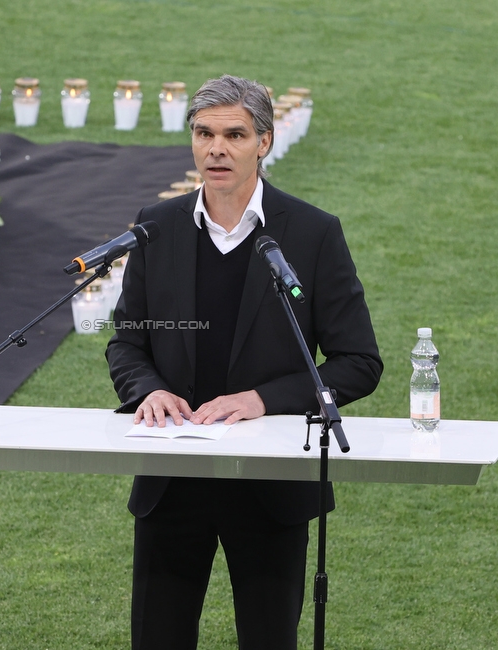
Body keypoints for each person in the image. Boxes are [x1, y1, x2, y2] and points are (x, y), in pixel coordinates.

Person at [106, 74, 383, 650]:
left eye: (234, 134)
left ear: (264, 142)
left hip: (271, 487)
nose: (216, 149)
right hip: (172, 478)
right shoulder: (155, 227)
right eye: (204, 133)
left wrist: (261, 400)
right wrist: (148, 390)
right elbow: (127, 342)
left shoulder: (312, 233)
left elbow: (358, 360)